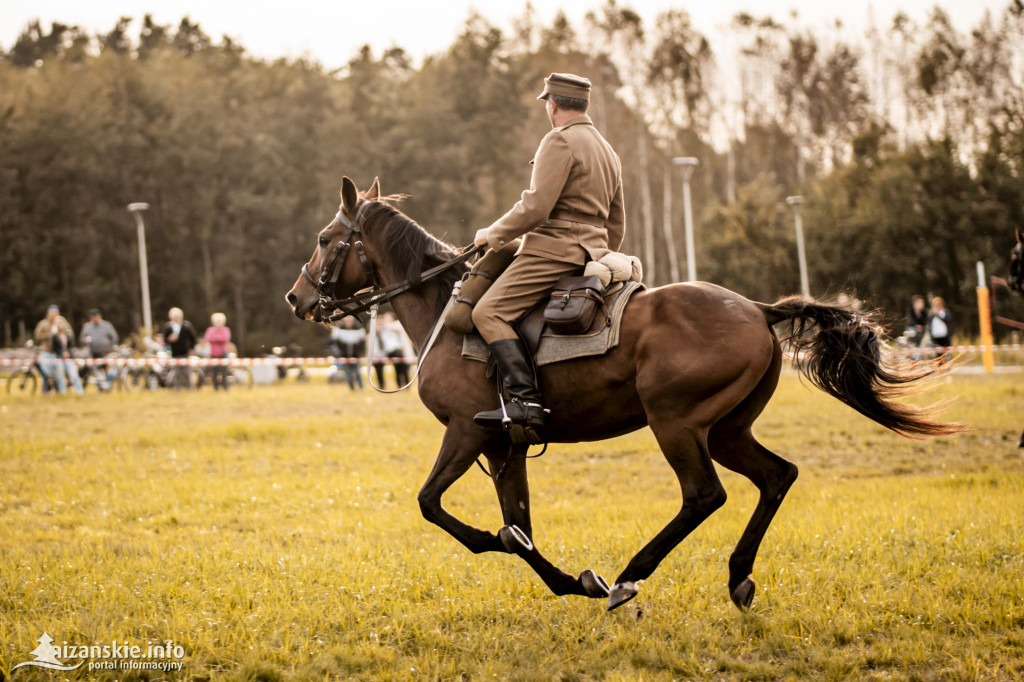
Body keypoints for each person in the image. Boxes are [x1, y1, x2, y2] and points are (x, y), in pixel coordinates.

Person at [470, 73, 625, 431]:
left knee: (488, 312)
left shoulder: (559, 140)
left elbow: (536, 207)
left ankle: (526, 402)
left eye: (547, 104)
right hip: (591, 254)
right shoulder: (607, 150)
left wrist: (492, 234)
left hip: (552, 252)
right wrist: (598, 255)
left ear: (552, 105)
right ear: (583, 105)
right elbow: (617, 219)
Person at [33, 304, 83, 395]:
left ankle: (63, 391)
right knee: (45, 373)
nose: (54, 314)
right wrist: (49, 335)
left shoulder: (63, 322)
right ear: (48, 313)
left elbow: (70, 335)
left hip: (60, 353)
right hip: (47, 352)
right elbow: (37, 336)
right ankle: (45, 391)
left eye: (56, 312)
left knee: (63, 373)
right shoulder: (43, 324)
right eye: (52, 312)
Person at [80, 308, 119, 390]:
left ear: (99, 316)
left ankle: (104, 387)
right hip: (92, 352)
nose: (95, 319)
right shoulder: (87, 327)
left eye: (96, 316)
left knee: (103, 370)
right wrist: (85, 341)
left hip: (104, 352)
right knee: (92, 370)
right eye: (93, 317)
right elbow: (81, 339)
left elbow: (114, 337)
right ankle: (85, 384)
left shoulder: (107, 326)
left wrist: (110, 348)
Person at [374, 313, 415, 388]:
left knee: (403, 368)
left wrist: (383, 325)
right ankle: (400, 385)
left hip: (398, 350)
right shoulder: (384, 329)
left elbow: (393, 327)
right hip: (390, 351)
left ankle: (406, 384)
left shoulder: (396, 325)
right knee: (397, 370)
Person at [162, 308, 197, 390]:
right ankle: (177, 388)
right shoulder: (168, 327)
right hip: (174, 353)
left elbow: (193, 338)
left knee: (187, 372)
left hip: (185, 352)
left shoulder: (187, 326)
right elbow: (164, 340)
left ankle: (189, 388)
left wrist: (191, 348)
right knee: (176, 372)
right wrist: (169, 339)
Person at [327, 317, 366, 390]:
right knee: (348, 373)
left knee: (358, 373)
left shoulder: (359, 329)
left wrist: (359, 352)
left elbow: (362, 343)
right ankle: (352, 389)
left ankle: (362, 388)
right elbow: (336, 342)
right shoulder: (339, 329)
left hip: (356, 356)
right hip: (344, 356)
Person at [204, 312, 232, 391]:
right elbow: (208, 339)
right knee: (214, 372)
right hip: (213, 354)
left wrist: (215, 338)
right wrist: (219, 338)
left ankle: (225, 387)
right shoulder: (210, 330)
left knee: (224, 372)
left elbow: (225, 339)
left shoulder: (226, 330)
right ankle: (215, 388)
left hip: (223, 354)